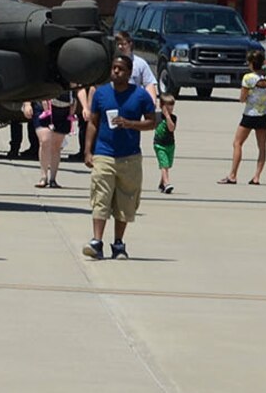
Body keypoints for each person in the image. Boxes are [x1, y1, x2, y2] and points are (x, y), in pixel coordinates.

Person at [83, 52, 156, 260]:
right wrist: (88, 150)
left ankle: (118, 244)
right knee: (100, 198)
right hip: (104, 154)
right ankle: (97, 242)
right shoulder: (101, 94)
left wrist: (131, 124)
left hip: (129, 157)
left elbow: (152, 122)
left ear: (129, 73)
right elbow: (93, 122)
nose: (116, 71)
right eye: (114, 68)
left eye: (121, 69)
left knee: (125, 201)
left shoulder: (140, 95)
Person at [224, 48, 266, 185]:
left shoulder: (248, 78)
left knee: (237, 143)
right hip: (264, 114)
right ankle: (257, 176)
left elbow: (242, 98)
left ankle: (233, 175)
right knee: (262, 146)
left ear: (252, 63)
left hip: (250, 114)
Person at [35, 94, 72, 189]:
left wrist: (85, 106)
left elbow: (78, 88)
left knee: (56, 146)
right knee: (45, 140)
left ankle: (53, 178)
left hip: (64, 107)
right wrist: (26, 104)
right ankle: (43, 176)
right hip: (43, 105)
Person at [154, 91, 178, 194]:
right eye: (167, 107)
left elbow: (171, 128)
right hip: (159, 145)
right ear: (162, 106)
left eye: (172, 107)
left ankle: (162, 183)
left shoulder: (173, 118)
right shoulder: (157, 116)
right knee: (164, 165)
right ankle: (167, 183)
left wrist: (168, 116)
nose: (170, 109)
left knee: (167, 165)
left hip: (170, 144)